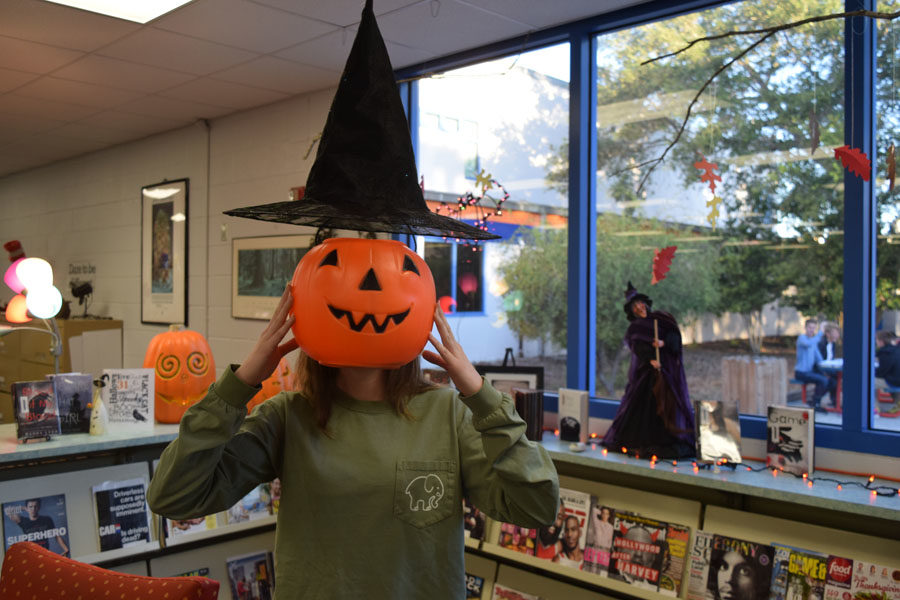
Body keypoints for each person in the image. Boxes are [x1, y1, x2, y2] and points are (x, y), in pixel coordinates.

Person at [147, 288, 559, 598]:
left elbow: (537, 507)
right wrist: (239, 385)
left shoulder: (450, 414)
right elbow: (174, 495)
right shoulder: (287, 417)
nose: (367, 302)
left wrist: (479, 394)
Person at [601, 282, 695, 458]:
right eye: (635, 306)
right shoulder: (634, 328)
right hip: (646, 374)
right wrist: (651, 359)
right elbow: (636, 347)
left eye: (640, 304)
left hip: (665, 373)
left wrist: (663, 343)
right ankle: (642, 442)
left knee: (667, 404)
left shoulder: (661, 319)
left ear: (645, 303)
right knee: (643, 407)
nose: (639, 307)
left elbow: (674, 338)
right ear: (632, 311)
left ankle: (670, 441)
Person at [3, 498, 69, 556]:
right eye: (30, 507)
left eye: (35, 506)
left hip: (45, 554)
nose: (33, 509)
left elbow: (56, 535)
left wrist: (65, 549)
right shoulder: (23, 521)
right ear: (27, 508)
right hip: (30, 555)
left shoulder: (46, 519)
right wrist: (23, 508)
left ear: (39, 507)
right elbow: (7, 511)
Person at [794, 318, 833, 413]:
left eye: (814, 328)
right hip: (801, 372)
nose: (811, 330)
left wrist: (828, 366)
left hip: (809, 372)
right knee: (823, 380)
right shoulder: (802, 338)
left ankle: (815, 402)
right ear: (805, 328)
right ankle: (816, 403)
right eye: (810, 327)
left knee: (830, 380)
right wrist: (820, 332)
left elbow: (819, 359)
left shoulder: (813, 342)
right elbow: (808, 343)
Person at [875, 330, 900, 403]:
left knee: (866, 381)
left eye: (876, 340)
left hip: (894, 381)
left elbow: (881, 373)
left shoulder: (885, 352)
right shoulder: (895, 350)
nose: (876, 342)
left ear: (881, 341)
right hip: (897, 379)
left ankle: (872, 408)